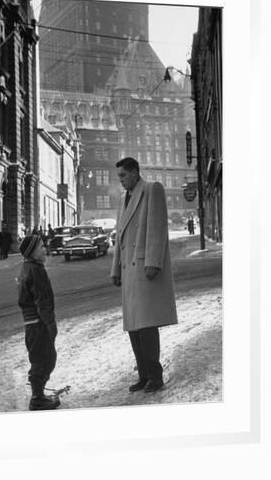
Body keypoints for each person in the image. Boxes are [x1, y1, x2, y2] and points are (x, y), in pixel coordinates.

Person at [111, 157, 178, 393]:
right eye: (119, 176)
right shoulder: (123, 198)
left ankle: (155, 376)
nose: (120, 180)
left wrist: (153, 262)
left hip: (144, 268)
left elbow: (158, 227)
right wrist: (115, 268)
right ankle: (143, 375)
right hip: (129, 271)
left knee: (147, 325)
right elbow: (120, 235)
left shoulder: (152, 189)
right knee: (134, 327)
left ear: (135, 172)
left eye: (123, 175)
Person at [18, 235, 60, 411]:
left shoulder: (27, 267)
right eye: (42, 246)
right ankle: (37, 398)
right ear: (33, 252)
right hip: (38, 323)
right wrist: (50, 324)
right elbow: (42, 300)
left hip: (31, 324)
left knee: (40, 359)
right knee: (45, 359)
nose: (45, 249)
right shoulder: (36, 270)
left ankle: (39, 395)